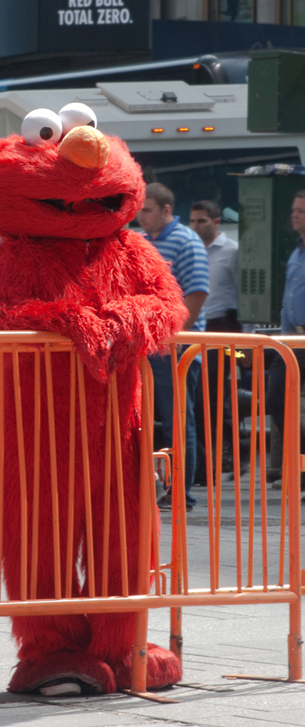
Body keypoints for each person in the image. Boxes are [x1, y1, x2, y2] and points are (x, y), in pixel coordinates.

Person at [137, 183, 209, 512]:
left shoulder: (186, 241)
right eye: (139, 209)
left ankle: (182, 492)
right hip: (149, 346)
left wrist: (172, 338)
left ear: (167, 210)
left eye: (147, 210)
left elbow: (196, 294)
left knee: (178, 420)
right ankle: (158, 486)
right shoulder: (142, 241)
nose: (141, 216)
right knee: (154, 419)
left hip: (175, 347)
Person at [189, 201, 242, 482]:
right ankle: (205, 465)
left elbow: (242, 294)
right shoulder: (191, 249)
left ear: (217, 222)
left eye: (202, 221)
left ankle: (223, 461)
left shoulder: (231, 252)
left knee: (214, 398)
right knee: (198, 400)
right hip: (197, 329)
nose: (196, 227)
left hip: (222, 329)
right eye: (193, 221)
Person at [267, 190, 305, 483]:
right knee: (276, 400)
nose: (294, 215)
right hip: (291, 341)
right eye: (294, 210)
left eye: (301, 211)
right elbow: (288, 297)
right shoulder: (296, 251)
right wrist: (282, 335)